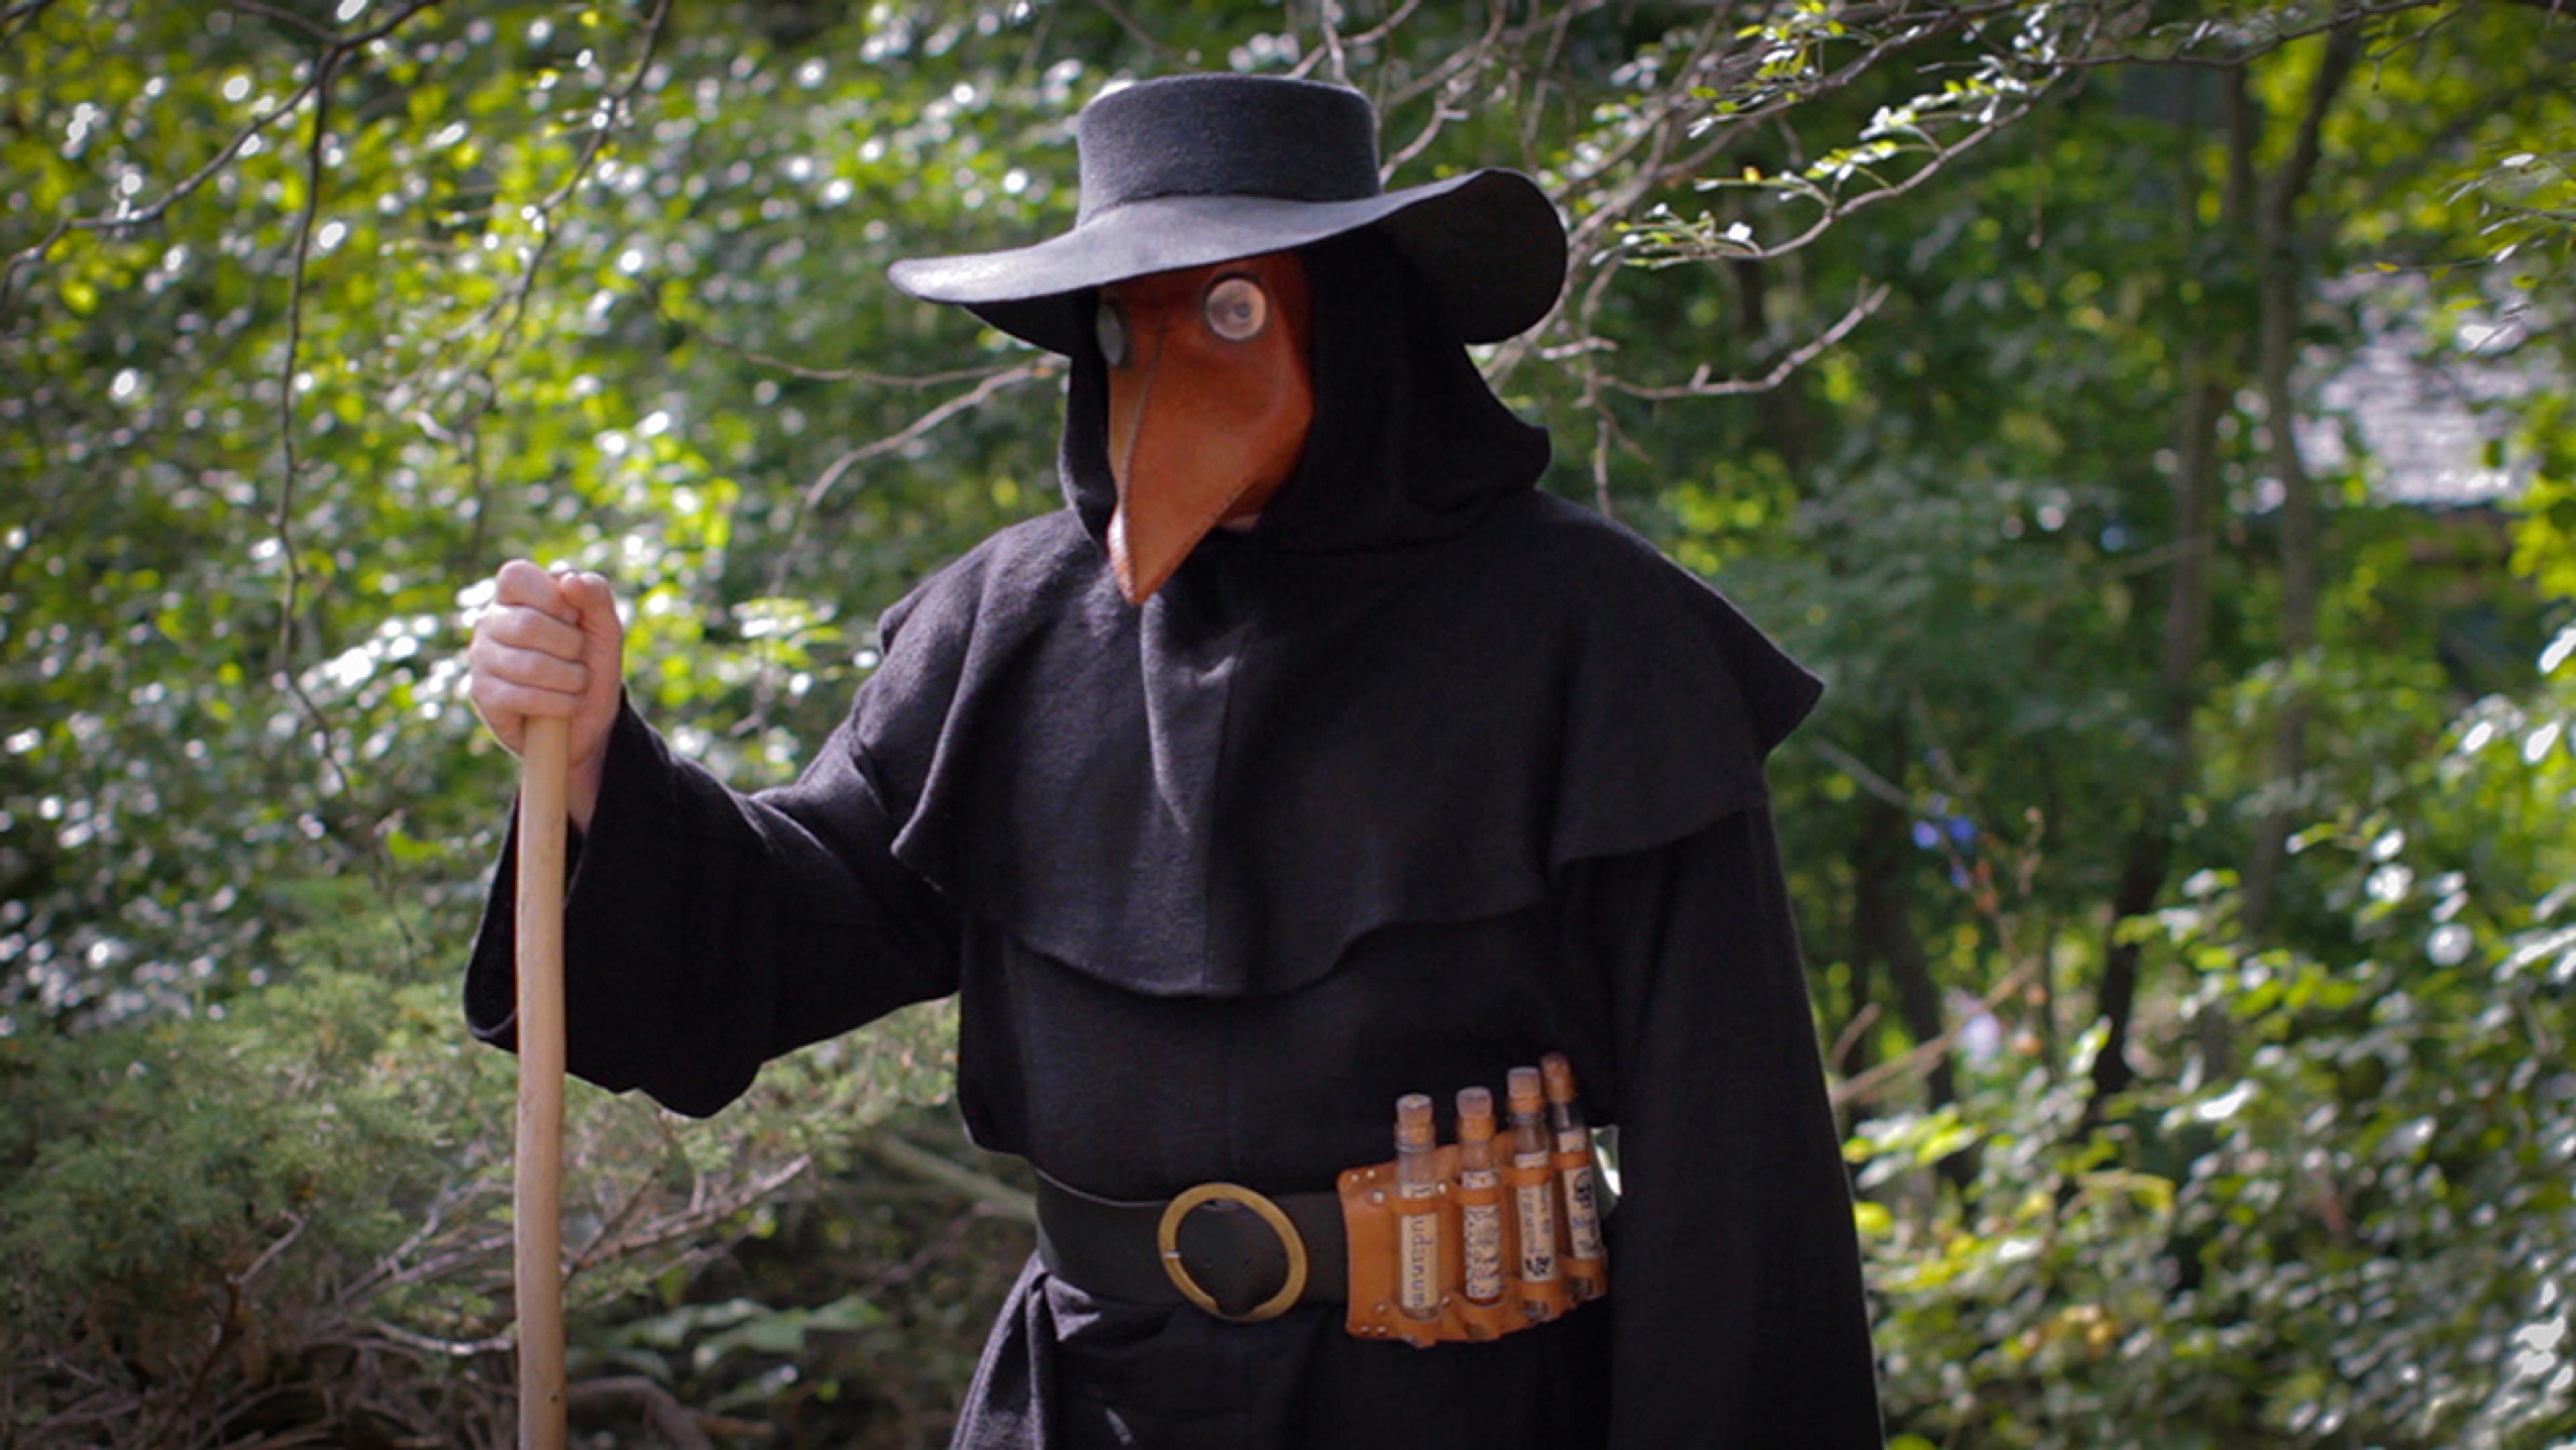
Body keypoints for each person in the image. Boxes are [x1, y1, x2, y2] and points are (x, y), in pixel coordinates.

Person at [464, 73, 1885, 1449]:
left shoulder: (1591, 637)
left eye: (1225, 307)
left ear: (1362, 320)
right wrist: (597, 765)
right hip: (1096, 1393)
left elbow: (1732, 1163)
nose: (1164, 375)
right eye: (1128, 327)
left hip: (1470, 1398)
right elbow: (803, 914)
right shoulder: (1005, 625)